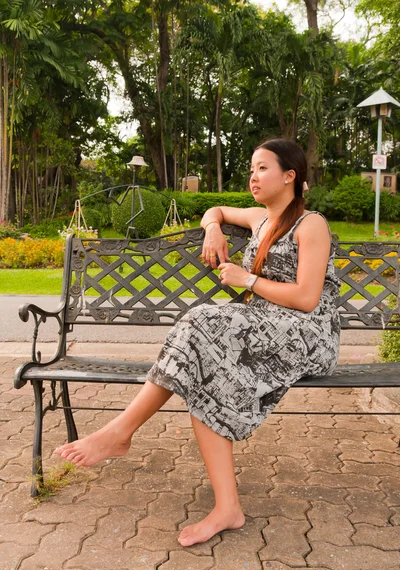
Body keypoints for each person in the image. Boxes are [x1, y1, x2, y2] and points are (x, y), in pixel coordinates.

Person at [55, 138, 341, 547]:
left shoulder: (310, 224)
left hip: (308, 333)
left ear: (289, 175)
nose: (253, 177)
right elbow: (218, 210)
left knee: (202, 322)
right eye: (251, 169)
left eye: (262, 168)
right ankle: (227, 507)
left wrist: (248, 280)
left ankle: (120, 432)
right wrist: (211, 228)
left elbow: (308, 298)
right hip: (267, 324)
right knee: (203, 363)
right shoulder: (259, 218)